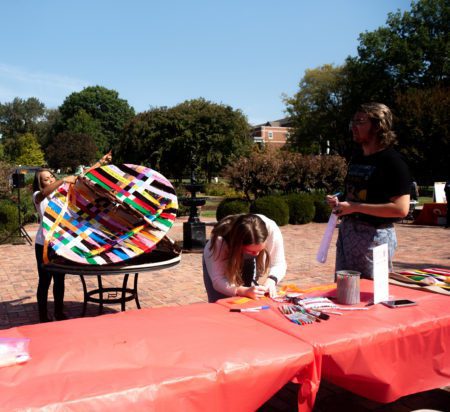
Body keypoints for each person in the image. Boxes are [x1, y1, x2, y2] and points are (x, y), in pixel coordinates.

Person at [327, 103, 411, 279]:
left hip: (375, 237)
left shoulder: (393, 161)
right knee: (344, 292)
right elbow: (354, 194)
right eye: (353, 122)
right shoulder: (357, 157)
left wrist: (355, 207)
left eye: (360, 121)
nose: (354, 127)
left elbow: (401, 209)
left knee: (370, 294)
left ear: (378, 126)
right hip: (348, 233)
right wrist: (340, 201)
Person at [33, 152, 112, 322]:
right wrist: (62, 180)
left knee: (60, 279)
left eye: (51, 177)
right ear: (40, 183)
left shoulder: (63, 194)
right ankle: (43, 315)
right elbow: (43, 194)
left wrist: (100, 162)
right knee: (44, 280)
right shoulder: (38, 197)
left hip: (60, 243)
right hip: (44, 245)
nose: (50, 180)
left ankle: (59, 312)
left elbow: (82, 176)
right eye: (45, 179)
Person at [203, 213, 286, 302]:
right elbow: (218, 281)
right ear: (237, 244)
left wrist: (271, 281)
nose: (256, 254)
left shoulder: (271, 230)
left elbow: (279, 263)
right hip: (224, 261)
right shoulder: (219, 241)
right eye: (251, 251)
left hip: (241, 253)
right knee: (221, 303)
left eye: (260, 250)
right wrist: (242, 291)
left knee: (250, 298)